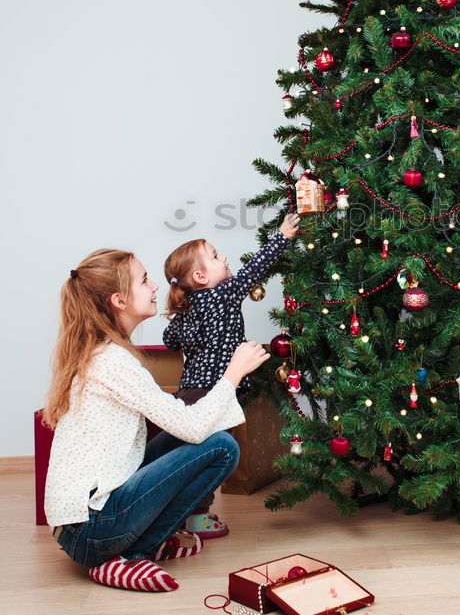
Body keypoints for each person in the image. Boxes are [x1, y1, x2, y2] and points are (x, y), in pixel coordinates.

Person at [43, 248, 270, 593]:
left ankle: (135, 547)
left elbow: (186, 427)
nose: (154, 288)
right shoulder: (114, 363)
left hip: (84, 523)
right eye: (145, 280)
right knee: (222, 446)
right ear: (119, 300)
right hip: (91, 532)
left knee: (195, 438)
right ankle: (132, 554)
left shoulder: (104, 353)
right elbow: (194, 426)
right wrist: (233, 373)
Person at [161, 214, 299, 537]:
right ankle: (196, 516)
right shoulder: (222, 295)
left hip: (188, 395)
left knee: (193, 456)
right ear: (200, 275)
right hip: (216, 395)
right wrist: (282, 236)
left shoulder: (188, 310)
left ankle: (182, 510)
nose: (224, 258)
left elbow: (169, 340)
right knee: (215, 457)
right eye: (215, 256)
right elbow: (255, 269)